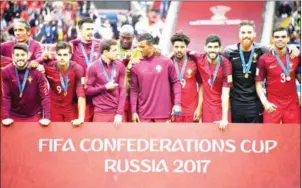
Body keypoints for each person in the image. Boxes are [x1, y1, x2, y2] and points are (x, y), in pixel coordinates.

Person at [130, 33, 181, 122]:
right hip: (144, 115)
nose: (139, 49)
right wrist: (133, 111)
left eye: (142, 47)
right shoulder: (136, 65)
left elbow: (176, 82)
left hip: (163, 114)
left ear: (151, 46)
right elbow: (134, 90)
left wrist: (177, 103)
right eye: (138, 47)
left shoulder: (166, 62)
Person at [255, 27, 301, 124]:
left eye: (283, 36)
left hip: (292, 105)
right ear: (273, 39)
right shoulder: (264, 59)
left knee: (293, 136)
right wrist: (265, 102)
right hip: (272, 104)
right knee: (269, 135)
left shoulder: (296, 56)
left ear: (288, 39)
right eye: (277, 37)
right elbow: (258, 84)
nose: (280, 39)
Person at [1, 44, 50, 126]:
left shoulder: (37, 71)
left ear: (28, 56)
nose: (20, 57)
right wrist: (5, 117)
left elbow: (44, 96)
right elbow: (6, 96)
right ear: (13, 56)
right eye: (17, 55)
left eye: (23, 55)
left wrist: (47, 118)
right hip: (14, 116)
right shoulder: (6, 72)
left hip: (34, 115)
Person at [193, 35, 232, 129]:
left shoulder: (226, 64)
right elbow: (185, 50)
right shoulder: (199, 58)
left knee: (224, 138)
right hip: (206, 107)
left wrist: (224, 118)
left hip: (221, 106)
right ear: (205, 48)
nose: (212, 50)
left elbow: (226, 94)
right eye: (210, 47)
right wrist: (199, 108)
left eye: (215, 47)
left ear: (220, 48)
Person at [43, 42, 86, 126]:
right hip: (53, 107)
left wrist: (81, 118)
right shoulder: (48, 66)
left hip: (69, 107)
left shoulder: (77, 69)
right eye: (60, 55)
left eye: (65, 55)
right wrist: (41, 60)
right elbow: (33, 64)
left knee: (71, 134)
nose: (62, 58)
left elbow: (81, 94)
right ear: (56, 55)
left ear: (70, 56)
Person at [86, 40, 126, 126]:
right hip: (101, 112)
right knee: (99, 139)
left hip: (117, 113)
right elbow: (88, 90)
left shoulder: (120, 66)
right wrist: (104, 87)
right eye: (114, 50)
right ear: (105, 52)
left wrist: (119, 113)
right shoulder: (93, 67)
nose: (117, 53)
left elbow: (123, 90)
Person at [70, 17, 101, 122]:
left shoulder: (100, 45)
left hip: (97, 91)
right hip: (79, 92)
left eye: (92, 29)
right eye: (87, 29)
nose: (90, 32)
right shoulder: (73, 46)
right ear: (80, 30)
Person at [169, 32, 202, 122]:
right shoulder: (168, 63)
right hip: (174, 109)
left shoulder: (194, 62)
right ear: (172, 48)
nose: (179, 50)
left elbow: (201, 85)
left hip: (191, 110)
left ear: (187, 48)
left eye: (182, 47)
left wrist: (199, 108)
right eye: (176, 47)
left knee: (190, 136)